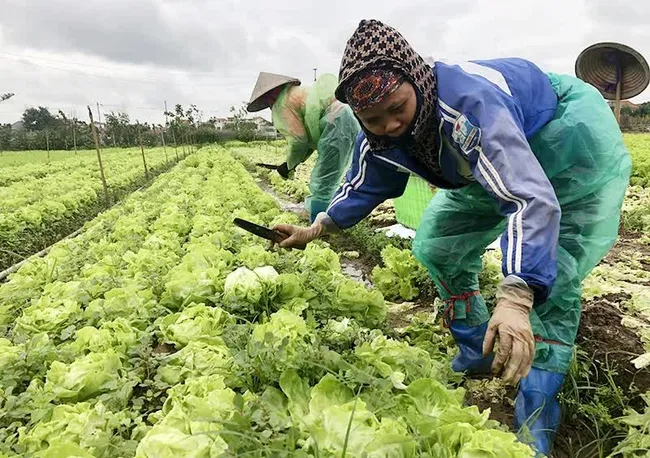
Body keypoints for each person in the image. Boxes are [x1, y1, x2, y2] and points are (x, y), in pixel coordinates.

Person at [273, 19, 632, 455]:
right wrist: (317, 227)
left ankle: (538, 405)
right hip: (482, 161)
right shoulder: (379, 135)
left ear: (417, 83)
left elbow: (527, 198)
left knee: (552, 266)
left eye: (397, 109)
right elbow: (362, 183)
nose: (388, 125)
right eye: (373, 119)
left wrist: (516, 296)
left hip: (561, 136)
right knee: (437, 241)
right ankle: (476, 346)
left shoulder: (468, 106)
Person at [247, 71, 360, 222]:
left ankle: (319, 225)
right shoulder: (298, 93)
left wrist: (289, 165)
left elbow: (298, 140)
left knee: (323, 180)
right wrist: (294, 163)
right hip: (348, 119)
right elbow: (307, 141)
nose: (268, 103)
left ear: (270, 94)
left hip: (335, 124)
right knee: (343, 173)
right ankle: (334, 217)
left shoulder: (282, 103)